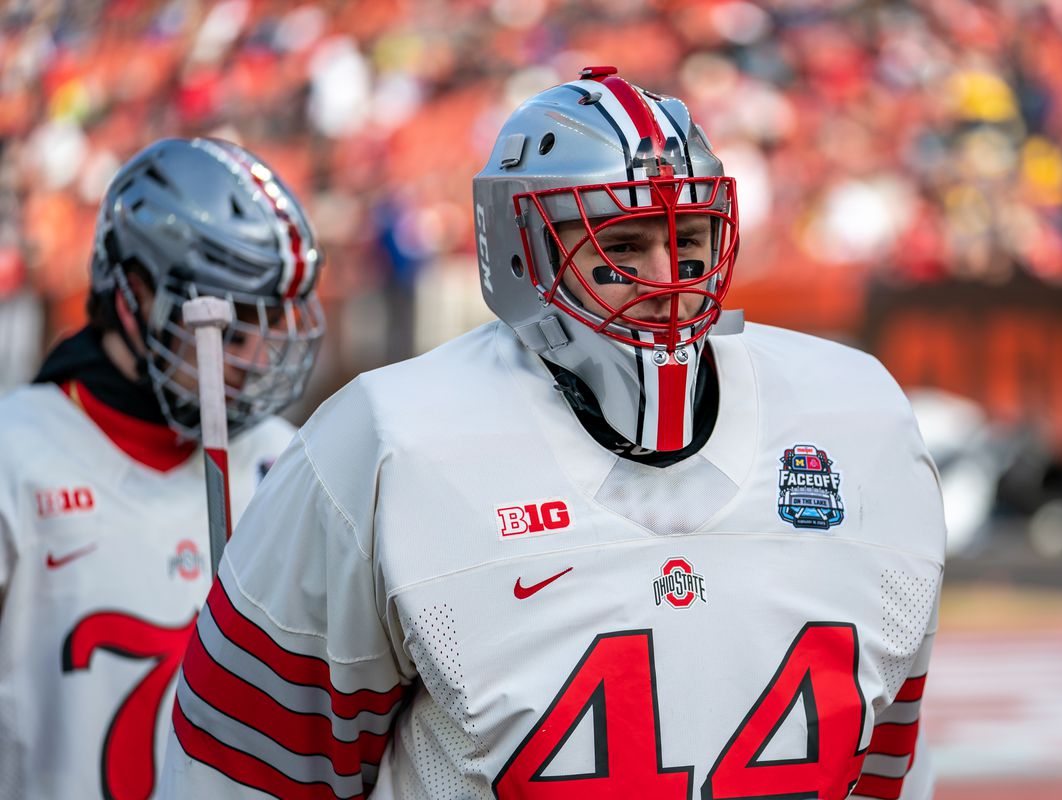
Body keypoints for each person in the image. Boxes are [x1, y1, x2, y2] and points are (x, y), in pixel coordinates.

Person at [162, 67, 945, 800]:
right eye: (622, 245)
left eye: (690, 238)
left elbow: (880, 763)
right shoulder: (390, 442)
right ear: (522, 250)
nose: (668, 277)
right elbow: (248, 768)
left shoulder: (859, 418)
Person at [0, 137, 325, 800]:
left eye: (272, 328)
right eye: (233, 330)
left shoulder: (282, 456)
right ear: (136, 293)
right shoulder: (17, 457)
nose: (259, 361)